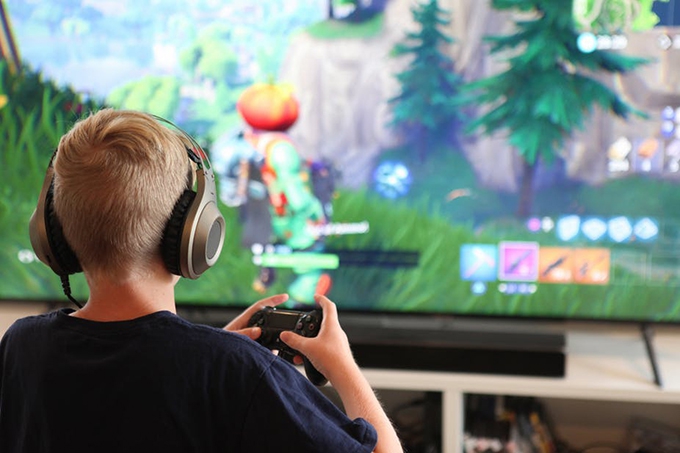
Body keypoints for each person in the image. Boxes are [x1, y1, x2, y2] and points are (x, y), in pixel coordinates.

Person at [0, 109, 403, 453]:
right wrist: (341, 364)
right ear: (193, 234)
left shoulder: (22, 346)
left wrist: (209, 353)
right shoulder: (239, 373)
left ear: (52, 233)